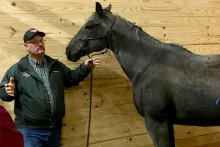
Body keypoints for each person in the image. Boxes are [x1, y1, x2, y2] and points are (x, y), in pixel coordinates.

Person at [0, 28, 100, 147]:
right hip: (30, 131)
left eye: (41, 40)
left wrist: (85, 67)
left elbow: (71, 78)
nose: (40, 44)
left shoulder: (55, 66)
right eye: (35, 42)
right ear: (26, 46)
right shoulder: (18, 69)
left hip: (54, 130)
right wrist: (8, 92)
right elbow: (3, 92)